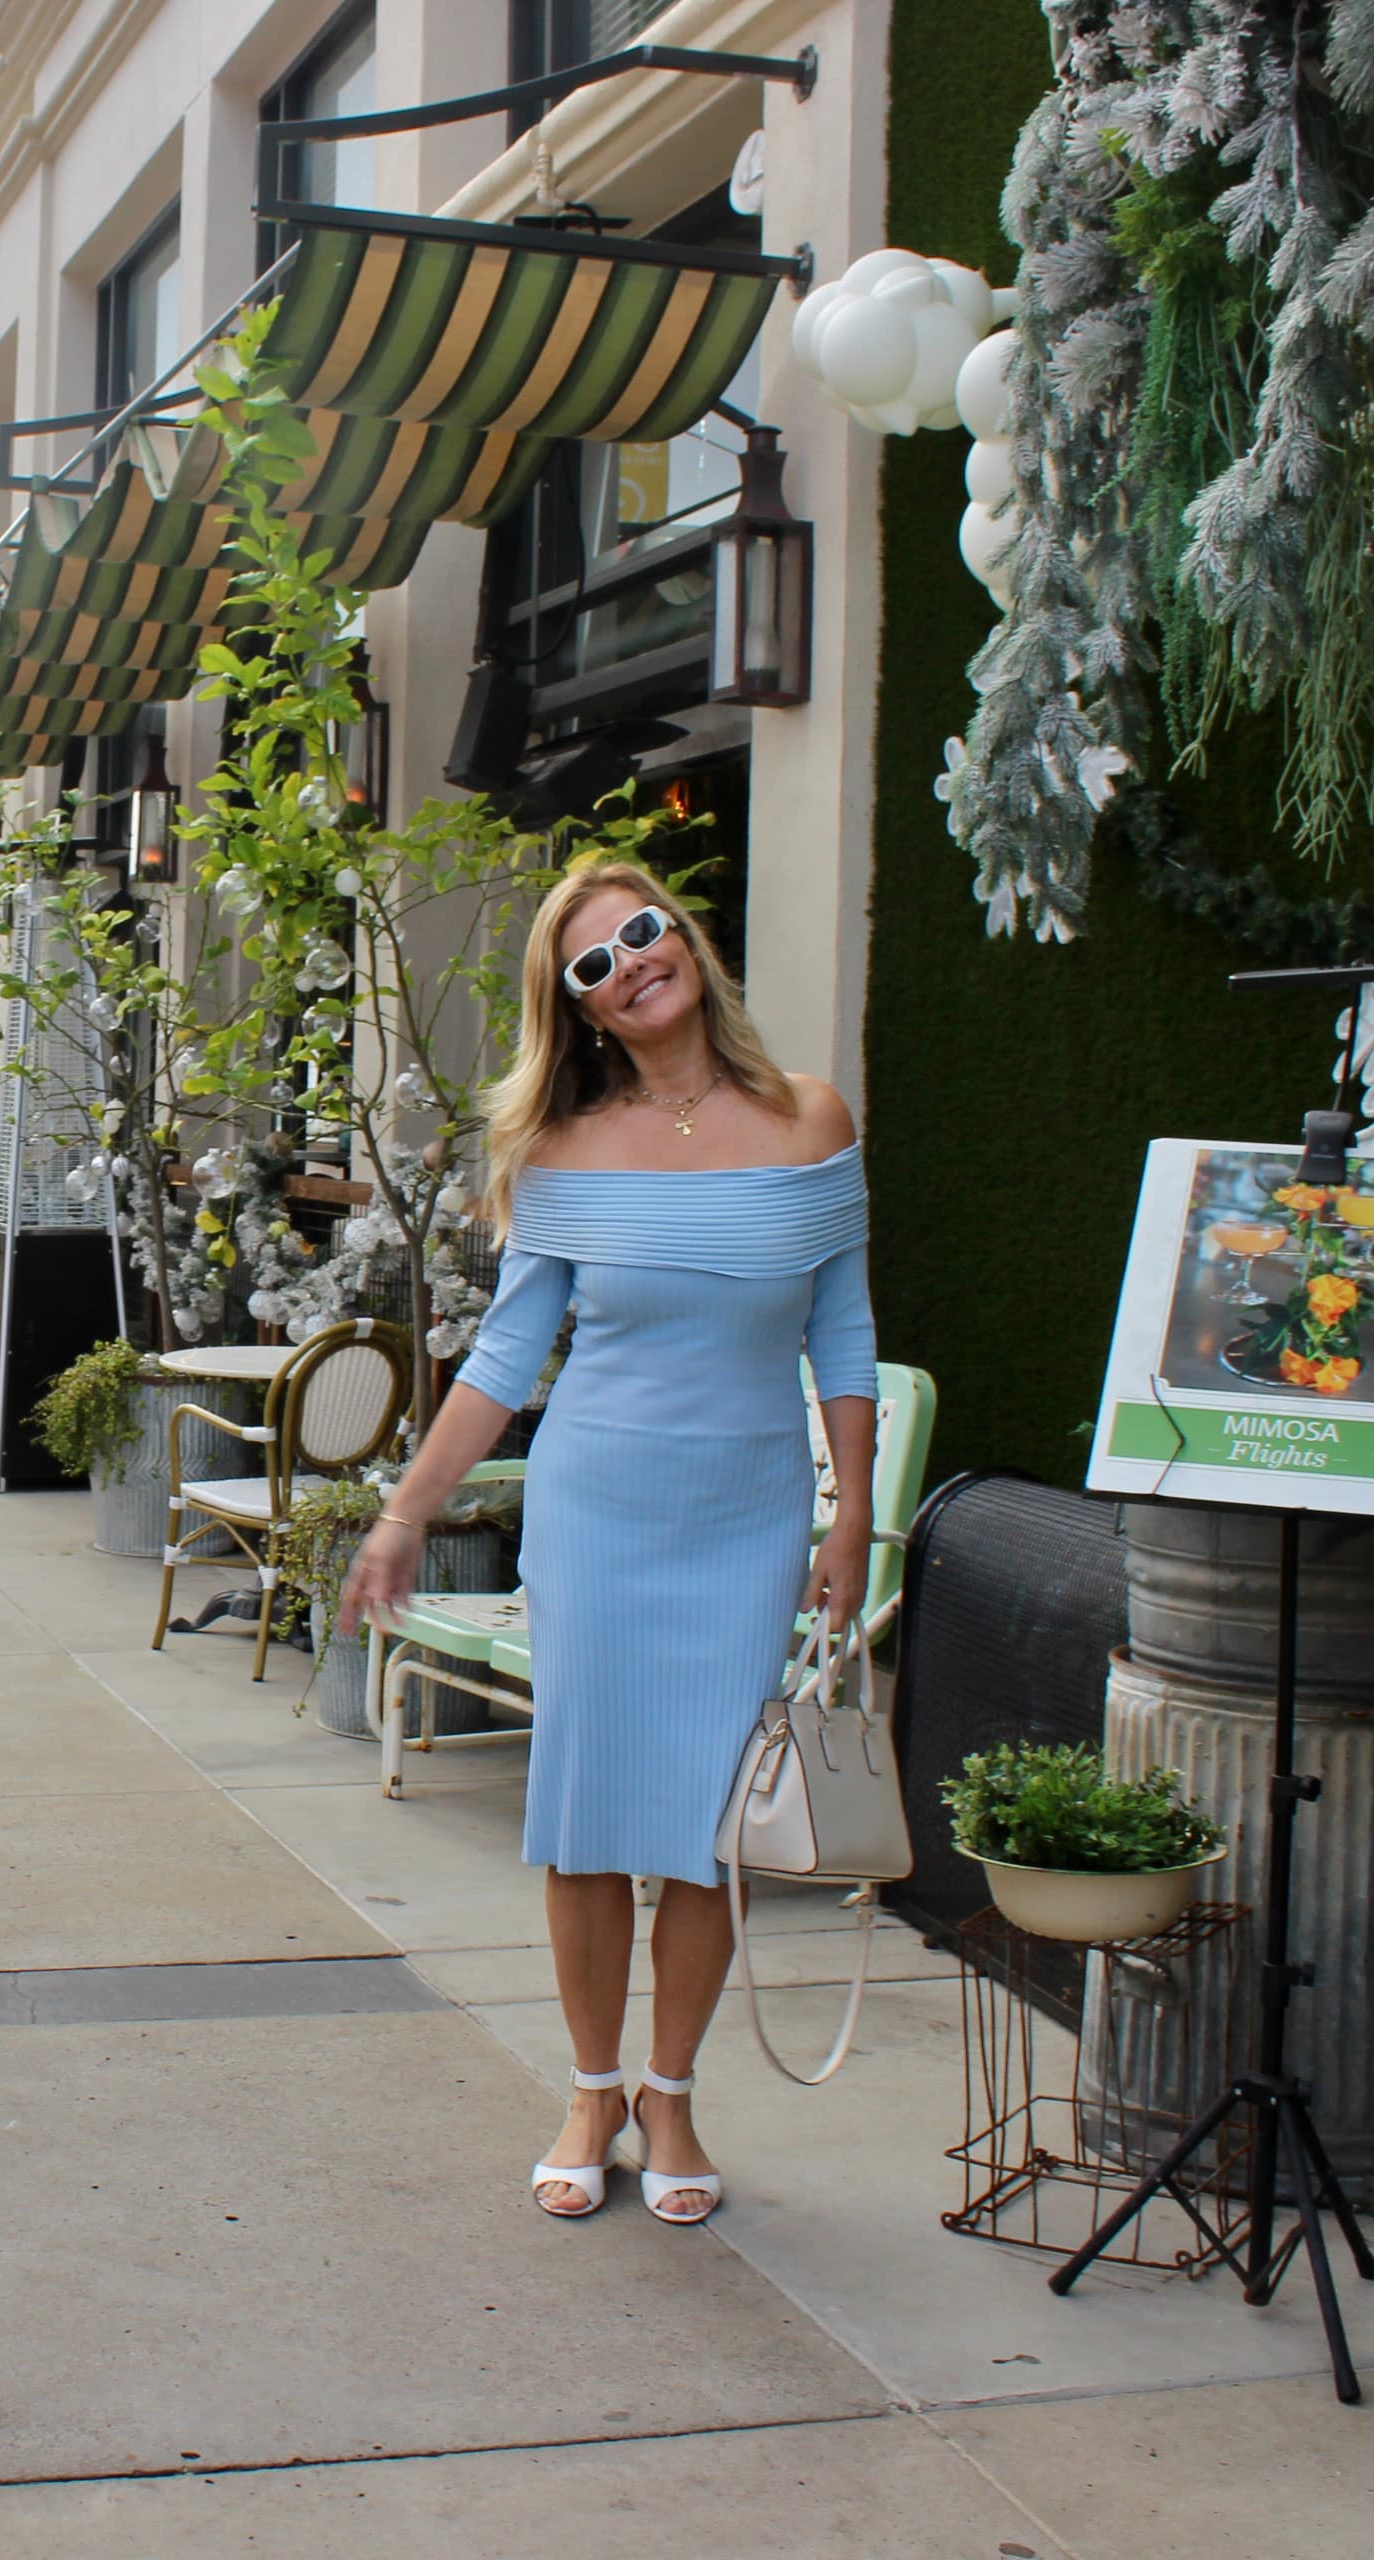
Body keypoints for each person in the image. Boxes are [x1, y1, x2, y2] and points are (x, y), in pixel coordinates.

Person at [337, 855, 874, 2229]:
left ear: (684, 937)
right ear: (578, 1011)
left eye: (643, 932)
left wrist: (851, 1510)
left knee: (706, 1828)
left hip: (750, 1514)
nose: (632, 961)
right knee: (585, 1815)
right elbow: (507, 1360)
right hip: (598, 1509)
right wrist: (405, 1512)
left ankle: (671, 2093)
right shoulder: (560, 1153)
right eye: (594, 964)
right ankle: (590, 2085)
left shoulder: (812, 1120)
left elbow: (843, 1335)